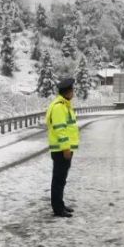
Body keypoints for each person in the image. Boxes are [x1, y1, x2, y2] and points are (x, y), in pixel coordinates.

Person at [46, 77, 79, 218]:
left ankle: (60, 204)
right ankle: (58, 209)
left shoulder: (65, 105)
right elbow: (61, 129)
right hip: (61, 150)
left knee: (61, 179)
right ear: (66, 92)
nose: (73, 93)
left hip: (64, 149)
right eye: (72, 90)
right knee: (58, 180)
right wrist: (66, 148)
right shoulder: (60, 107)